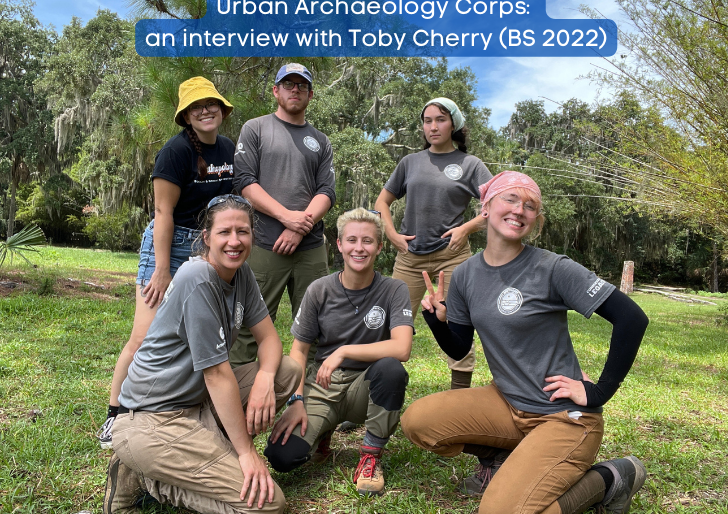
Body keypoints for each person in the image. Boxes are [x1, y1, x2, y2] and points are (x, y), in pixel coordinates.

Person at [400, 171, 650, 514]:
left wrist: (599, 391)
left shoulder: (552, 268)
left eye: (530, 205)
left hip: (563, 417)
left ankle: (610, 479)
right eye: (510, 199)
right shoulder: (466, 275)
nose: (519, 210)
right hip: (506, 404)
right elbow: (459, 347)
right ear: (485, 208)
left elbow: (632, 319)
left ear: (535, 219)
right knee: (418, 422)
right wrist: (436, 321)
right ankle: (503, 456)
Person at [103, 195, 302, 514]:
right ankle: (145, 478)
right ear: (207, 237)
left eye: (243, 231)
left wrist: (265, 377)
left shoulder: (242, 274)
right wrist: (247, 452)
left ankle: (202, 453)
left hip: (196, 404)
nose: (235, 241)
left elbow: (269, 339)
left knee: (285, 371)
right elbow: (217, 374)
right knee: (267, 506)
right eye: (225, 232)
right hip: (151, 418)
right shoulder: (197, 277)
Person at [97, 77, 237, 448]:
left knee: (196, 337)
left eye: (211, 104)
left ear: (222, 110)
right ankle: (115, 413)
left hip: (204, 249)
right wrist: (161, 268)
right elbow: (163, 211)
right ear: (186, 116)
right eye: (196, 107)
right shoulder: (174, 152)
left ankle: (187, 410)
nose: (205, 111)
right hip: (169, 244)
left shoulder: (227, 149)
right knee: (143, 336)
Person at [263, 208, 413, 496]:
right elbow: (299, 350)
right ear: (339, 244)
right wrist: (296, 399)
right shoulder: (319, 289)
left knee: (392, 369)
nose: (359, 248)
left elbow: (402, 347)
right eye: (352, 240)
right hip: (322, 384)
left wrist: (344, 350)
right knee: (281, 457)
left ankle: (370, 455)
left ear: (380, 247)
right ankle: (322, 434)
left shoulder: (394, 290)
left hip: (366, 385)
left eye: (368, 241)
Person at [374, 97, 492, 391]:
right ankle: (371, 397)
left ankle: (459, 400)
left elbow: (496, 207)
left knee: (457, 325)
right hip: (409, 260)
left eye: (440, 119)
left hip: (453, 259)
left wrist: (466, 228)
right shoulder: (410, 162)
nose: (433, 126)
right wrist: (390, 233)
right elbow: (382, 202)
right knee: (391, 327)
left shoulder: (470, 164)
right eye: (427, 121)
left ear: (454, 123)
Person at [230, 63, 336, 367]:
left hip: (311, 247)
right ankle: (240, 396)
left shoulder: (321, 140)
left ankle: (310, 400)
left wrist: (300, 227)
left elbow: (326, 191)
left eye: (301, 86)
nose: (295, 90)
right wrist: (286, 218)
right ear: (276, 90)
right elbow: (245, 183)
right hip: (264, 243)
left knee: (317, 327)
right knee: (249, 327)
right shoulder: (256, 128)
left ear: (310, 94)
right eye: (288, 84)